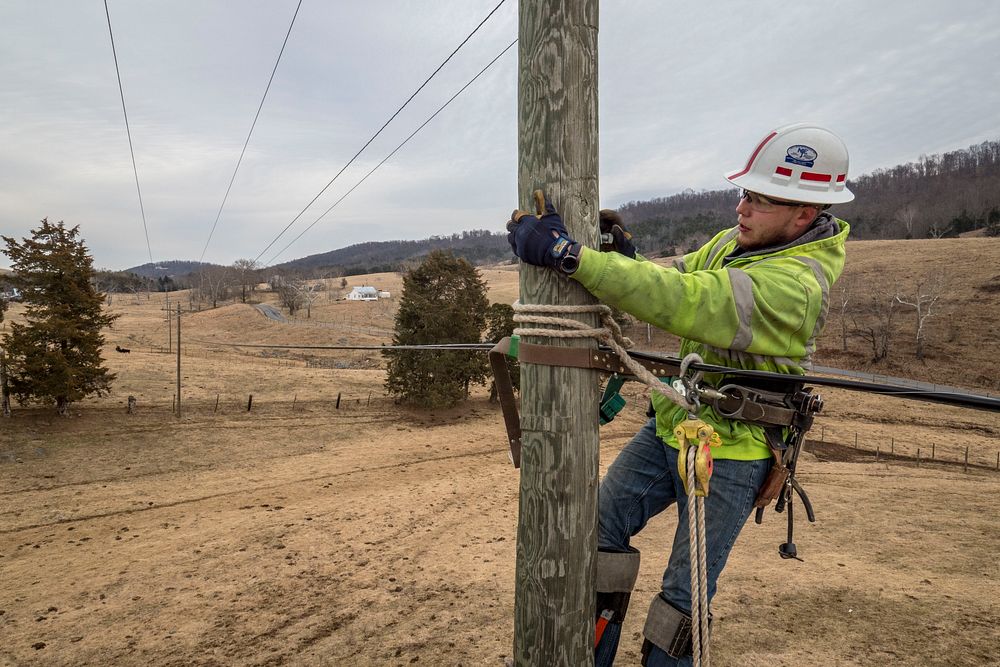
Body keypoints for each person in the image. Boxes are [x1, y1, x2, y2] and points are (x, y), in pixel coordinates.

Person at [506, 122, 853, 666]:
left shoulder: (796, 287)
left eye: (759, 200)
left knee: (683, 594)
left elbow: (685, 300)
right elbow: (673, 279)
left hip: (733, 451)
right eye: (745, 194)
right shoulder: (735, 244)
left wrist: (569, 256)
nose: (742, 208)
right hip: (673, 424)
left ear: (804, 214)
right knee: (597, 534)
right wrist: (627, 258)